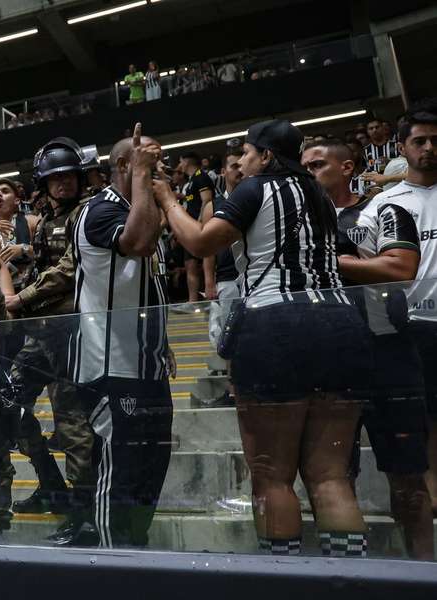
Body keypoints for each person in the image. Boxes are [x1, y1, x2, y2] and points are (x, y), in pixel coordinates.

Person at [154, 118, 373, 557]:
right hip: (341, 324)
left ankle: (284, 578)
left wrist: (165, 198)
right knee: (330, 475)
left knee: (272, 474)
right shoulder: (321, 198)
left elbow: (199, 242)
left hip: (276, 324)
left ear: (267, 156)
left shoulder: (255, 189)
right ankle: (350, 582)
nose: (241, 165)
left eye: (247, 156)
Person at [301, 139, 432, 560]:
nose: (309, 173)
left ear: (347, 167)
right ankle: (348, 576)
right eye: (304, 166)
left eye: (318, 165)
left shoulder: (383, 209)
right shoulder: (293, 223)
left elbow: (398, 269)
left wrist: (327, 260)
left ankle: (425, 572)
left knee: (409, 480)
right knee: (334, 478)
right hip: (326, 363)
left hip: (387, 355)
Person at [72, 124, 171, 548]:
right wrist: (146, 180)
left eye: (159, 159)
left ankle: (137, 553)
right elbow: (137, 242)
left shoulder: (147, 207)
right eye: (148, 159)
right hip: (110, 364)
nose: (158, 166)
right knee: (122, 472)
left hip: (148, 364)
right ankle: (114, 568)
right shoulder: (100, 210)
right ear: (123, 165)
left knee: (152, 468)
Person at [4, 138, 96, 546]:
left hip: (68, 334)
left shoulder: (87, 214)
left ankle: (86, 516)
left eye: (68, 177)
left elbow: (68, 269)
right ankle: (51, 485)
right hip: (40, 333)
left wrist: (19, 299)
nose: (62, 184)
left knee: (73, 424)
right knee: (10, 405)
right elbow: (42, 270)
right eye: (54, 179)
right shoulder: (45, 219)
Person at [362, 101, 437, 517]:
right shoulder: (384, 203)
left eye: (435, 140)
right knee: (424, 415)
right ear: (402, 147)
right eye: (419, 141)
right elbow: (366, 260)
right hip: (413, 325)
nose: (428, 148)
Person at [202, 147, 243, 406]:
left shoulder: (259, 197)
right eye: (233, 166)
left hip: (258, 276)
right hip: (227, 278)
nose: (238, 170)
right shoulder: (213, 206)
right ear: (223, 171)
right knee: (230, 335)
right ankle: (233, 389)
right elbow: (206, 248)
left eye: (242, 165)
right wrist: (209, 281)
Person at [0, 178, 39, 292]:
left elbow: (51, 254)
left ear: (17, 200)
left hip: (33, 289)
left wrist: (25, 248)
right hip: (0, 293)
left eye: (5, 191)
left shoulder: (32, 221)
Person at [176, 151, 215, 307]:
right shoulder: (191, 181)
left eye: (180, 161)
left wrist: (200, 221)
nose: (179, 165)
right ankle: (192, 301)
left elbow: (207, 200)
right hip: (190, 228)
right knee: (190, 263)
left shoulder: (201, 176)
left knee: (207, 259)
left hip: (201, 226)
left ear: (186, 162)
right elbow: (193, 202)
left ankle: (210, 293)